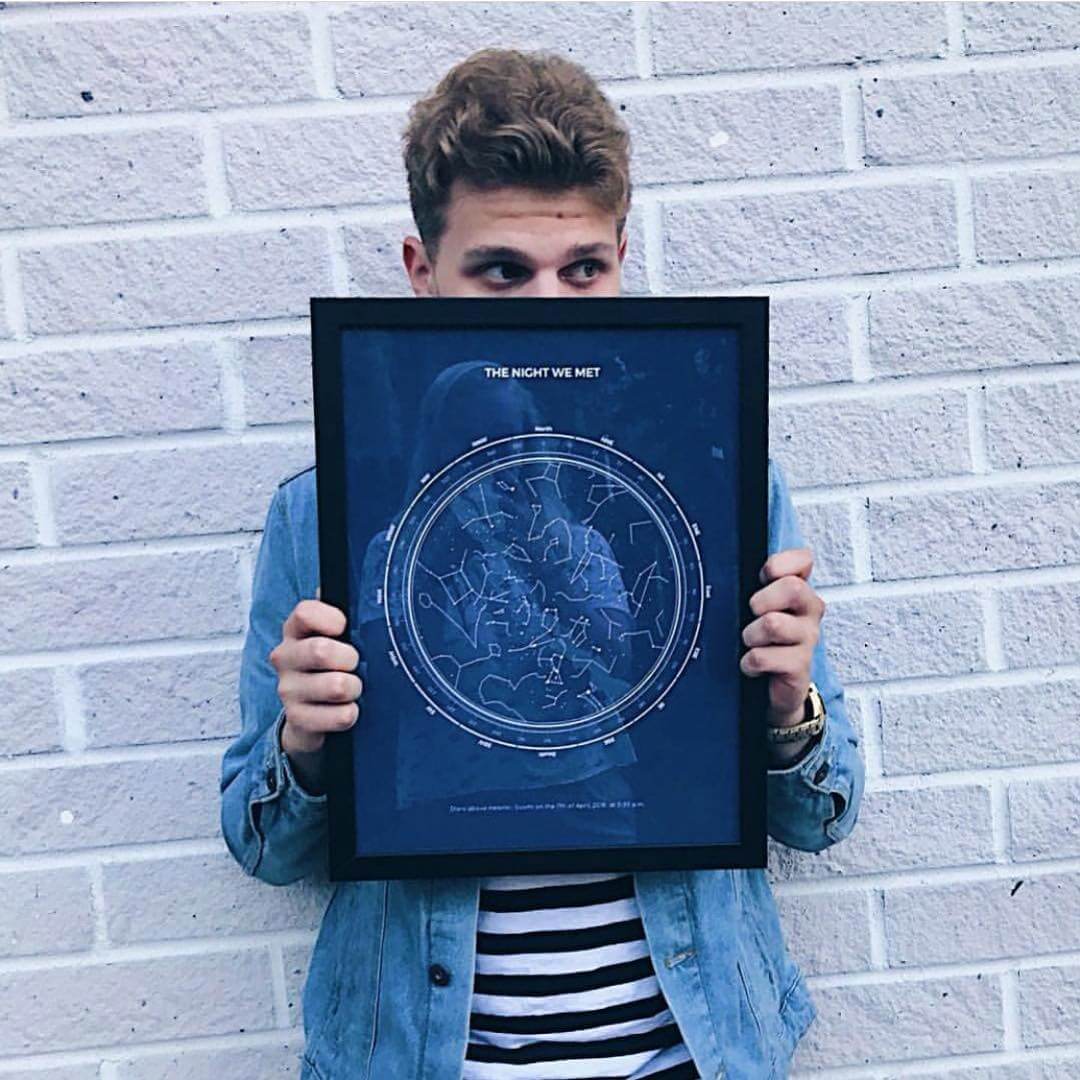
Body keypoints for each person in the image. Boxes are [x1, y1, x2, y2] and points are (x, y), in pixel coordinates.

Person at [220, 47, 865, 1080]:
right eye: (502, 271)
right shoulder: (325, 513)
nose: (549, 304)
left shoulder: (714, 485)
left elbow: (820, 818)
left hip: (691, 1052)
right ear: (419, 273)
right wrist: (302, 746)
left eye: (584, 269)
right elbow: (266, 851)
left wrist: (788, 714)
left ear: (621, 259)